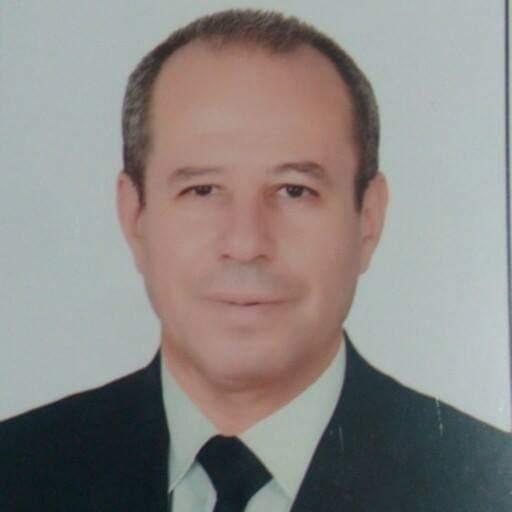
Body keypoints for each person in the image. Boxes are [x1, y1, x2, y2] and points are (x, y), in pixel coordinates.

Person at [1, 8, 510, 512]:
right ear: (135, 216)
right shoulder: (17, 471)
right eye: (202, 190)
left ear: (368, 220)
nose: (246, 243)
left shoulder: (483, 486)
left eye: (294, 190)